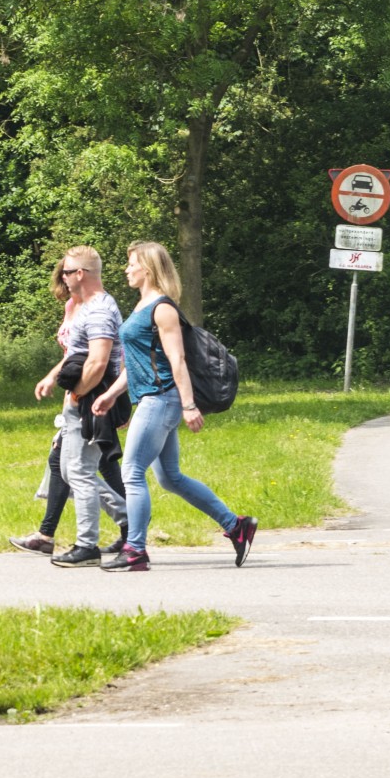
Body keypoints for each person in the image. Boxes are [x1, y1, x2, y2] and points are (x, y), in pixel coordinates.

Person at [89, 240, 257, 571]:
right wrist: (112, 394)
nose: (126, 269)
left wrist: (189, 405)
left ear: (148, 269)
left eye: (131, 264)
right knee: (170, 477)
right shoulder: (142, 306)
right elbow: (137, 364)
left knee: (132, 472)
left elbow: (177, 359)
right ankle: (236, 526)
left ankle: (135, 550)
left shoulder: (162, 309)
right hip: (152, 398)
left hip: (161, 398)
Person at [12, 258, 127, 555]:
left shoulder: (98, 309)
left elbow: (103, 360)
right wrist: (53, 377)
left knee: (81, 468)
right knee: (72, 467)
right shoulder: (78, 306)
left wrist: (89, 395)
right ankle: (128, 522)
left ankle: (91, 538)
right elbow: (74, 353)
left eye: (65, 272)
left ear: (80, 273)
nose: (61, 277)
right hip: (80, 395)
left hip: (93, 396)